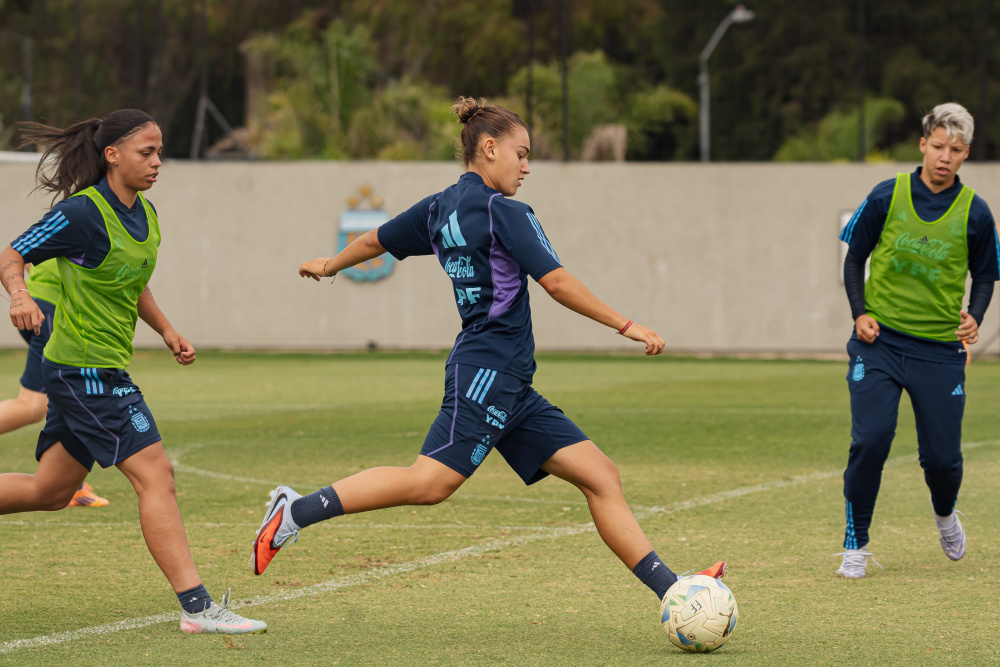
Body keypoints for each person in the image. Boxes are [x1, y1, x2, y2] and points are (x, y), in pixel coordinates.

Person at [253, 98, 726, 611]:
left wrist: (331, 264)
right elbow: (558, 283)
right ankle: (296, 510)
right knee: (429, 482)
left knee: (600, 475)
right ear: (489, 147)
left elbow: (373, 240)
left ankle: (674, 590)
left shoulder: (439, 207)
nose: (527, 167)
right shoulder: (506, 211)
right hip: (486, 372)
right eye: (521, 154)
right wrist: (628, 325)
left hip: (510, 383)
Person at [0, 109, 266, 633]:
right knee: (156, 475)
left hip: (100, 369)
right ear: (112, 155)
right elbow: (11, 253)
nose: (157, 162)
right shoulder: (82, 213)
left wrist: (167, 331)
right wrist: (20, 294)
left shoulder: (146, 216)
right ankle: (198, 609)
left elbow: (133, 283)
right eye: (147, 152)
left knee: (49, 492)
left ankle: (197, 609)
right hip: (84, 373)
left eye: (160, 151)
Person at [836, 102, 1000, 578]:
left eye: (955, 149)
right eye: (938, 146)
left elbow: (986, 276)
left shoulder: (976, 213)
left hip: (940, 353)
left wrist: (977, 318)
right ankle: (855, 545)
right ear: (922, 144)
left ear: (965, 153)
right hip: (879, 344)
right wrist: (859, 312)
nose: (944, 157)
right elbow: (854, 259)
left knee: (943, 460)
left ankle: (945, 514)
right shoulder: (887, 196)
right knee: (870, 440)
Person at [0, 260, 109, 507]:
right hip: (51, 312)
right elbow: (12, 255)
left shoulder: (61, 225)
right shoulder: (84, 221)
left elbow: (25, 258)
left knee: (62, 395)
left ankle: (75, 485)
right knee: (31, 405)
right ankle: (73, 487)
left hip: (42, 306)